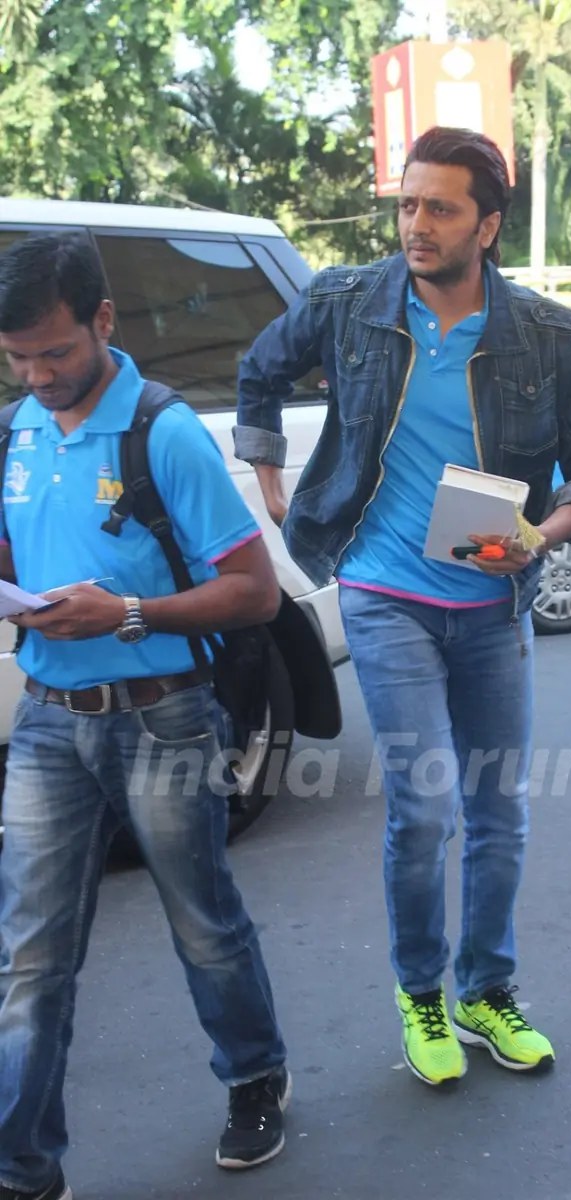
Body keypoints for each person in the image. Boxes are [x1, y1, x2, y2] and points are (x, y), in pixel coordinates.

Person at [235, 126, 571, 1088]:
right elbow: (260, 371)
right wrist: (270, 471)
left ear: (487, 226)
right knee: (426, 802)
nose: (416, 224)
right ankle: (422, 993)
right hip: (380, 588)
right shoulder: (347, 301)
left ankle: (489, 991)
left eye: (440, 208)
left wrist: (554, 529)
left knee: (500, 810)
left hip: (495, 591)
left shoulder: (546, 333)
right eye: (408, 204)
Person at [0, 233, 291, 1200]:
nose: (39, 375)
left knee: (202, 921)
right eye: (18, 358)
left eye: (56, 352)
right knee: (30, 959)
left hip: (165, 719)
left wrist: (126, 614)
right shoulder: (17, 431)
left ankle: (255, 1076)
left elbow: (254, 593)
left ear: (104, 321)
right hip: (45, 721)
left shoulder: (164, 433)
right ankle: (25, 1170)